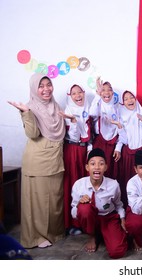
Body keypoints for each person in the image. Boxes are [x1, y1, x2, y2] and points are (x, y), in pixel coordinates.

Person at [8, 73, 66, 249]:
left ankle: (53, 232)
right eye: (41, 86)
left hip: (55, 159)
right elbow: (32, 134)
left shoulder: (55, 106)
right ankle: (36, 237)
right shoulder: (31, 107)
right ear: (34, 88)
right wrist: (25, 113)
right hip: (38, 160)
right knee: (38, 201)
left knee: (54, 199)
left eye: (49, 84)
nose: (46, 89)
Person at [70, 148, 128, 258]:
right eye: (92, 164)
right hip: (91, 220)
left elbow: (118, 205)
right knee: (84, 208)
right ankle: (92, 236)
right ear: (87, 167)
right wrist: (78, 205)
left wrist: (122, 219)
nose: (97, 167)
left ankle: (104, 234)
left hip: (108, 218)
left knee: (117, 251)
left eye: (101, 164)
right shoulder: (79, 184)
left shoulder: (113, 185)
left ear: (105, 167)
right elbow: (74, 213)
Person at [59, 84, 92, 235]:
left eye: (80, 92)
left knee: (86, 183)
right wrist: (73, 122)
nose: (78, 96)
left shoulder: (88, 109)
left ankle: (87, 221)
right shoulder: (68, 112)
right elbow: (73, 136)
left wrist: (89, 150)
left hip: (85, 150)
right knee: (73, 183)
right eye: (74, 93)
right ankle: (72, 223)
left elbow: (91, 134)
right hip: (72, 150)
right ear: (69, 96)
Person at [114, 90, 142, 206]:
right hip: (128, 154)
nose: (129, 100)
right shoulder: (121, 116)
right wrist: (118, 148)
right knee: (128, 180)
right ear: (122, 102)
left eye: (131, 97)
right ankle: (129, 207)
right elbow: (123, 138)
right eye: (126, 99)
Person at [89, 77, 120, 179]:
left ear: (113, 93)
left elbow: (121, 130)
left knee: (111, 173)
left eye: (109, 89)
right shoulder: (97, 105)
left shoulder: (117, 108)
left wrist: (118, 148)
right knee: (99, 171)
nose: (106, 92)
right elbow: (92, 113)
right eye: (103, 90)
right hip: (99, 144)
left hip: (113, 146)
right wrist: (97, 95)